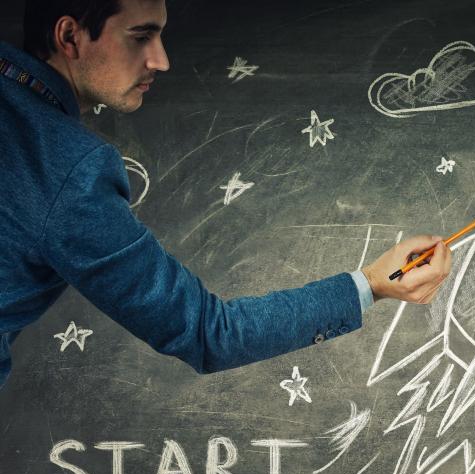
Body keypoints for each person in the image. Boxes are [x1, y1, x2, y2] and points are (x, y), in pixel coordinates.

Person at [0, 0, 451, 390]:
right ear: (69, 35)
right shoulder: (69, 171)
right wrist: (372, 284)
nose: (160, 60)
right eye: (141, 36)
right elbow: (209, 333)